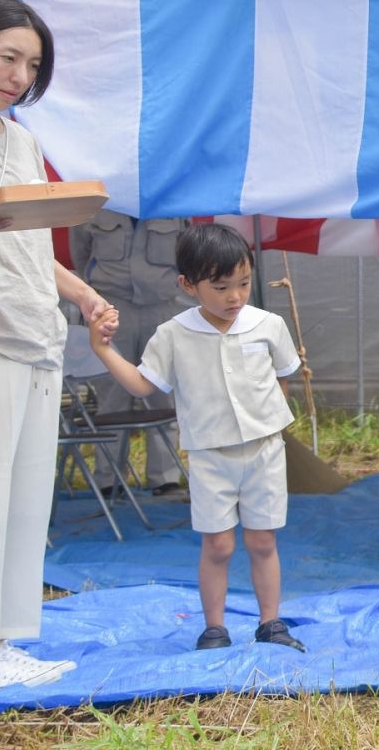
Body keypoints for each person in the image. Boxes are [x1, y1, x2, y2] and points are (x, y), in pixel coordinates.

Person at [88, 223, 306, 652]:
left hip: (264, 452)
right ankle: (214, 629)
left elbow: (283, 378)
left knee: (263, 540)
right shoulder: (173, 334)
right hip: (209, 456)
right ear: (188, 285)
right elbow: (141, 385)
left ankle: (271, 623)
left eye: (243, 283)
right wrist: (103, 349)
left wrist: (269, 426)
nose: (235, 297)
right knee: (219, 544)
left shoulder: (269, 324)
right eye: (221, 286)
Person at [0, 0, 117, 688]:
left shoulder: (22, 141)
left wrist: (83, 294)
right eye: (8, 56)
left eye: (31, 64)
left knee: (24, 497)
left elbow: (31, 242)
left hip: (34, 334)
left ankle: (8, 641)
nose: (17, 74)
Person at [69, 210, 188, 495]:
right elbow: (80, 253)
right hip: (111, 303)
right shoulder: (97, 205)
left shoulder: (174, 203)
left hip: (162, 305)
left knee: (164, 390)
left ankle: (165, 479)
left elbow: (186, 252)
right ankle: (110, 480)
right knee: (112, 393)